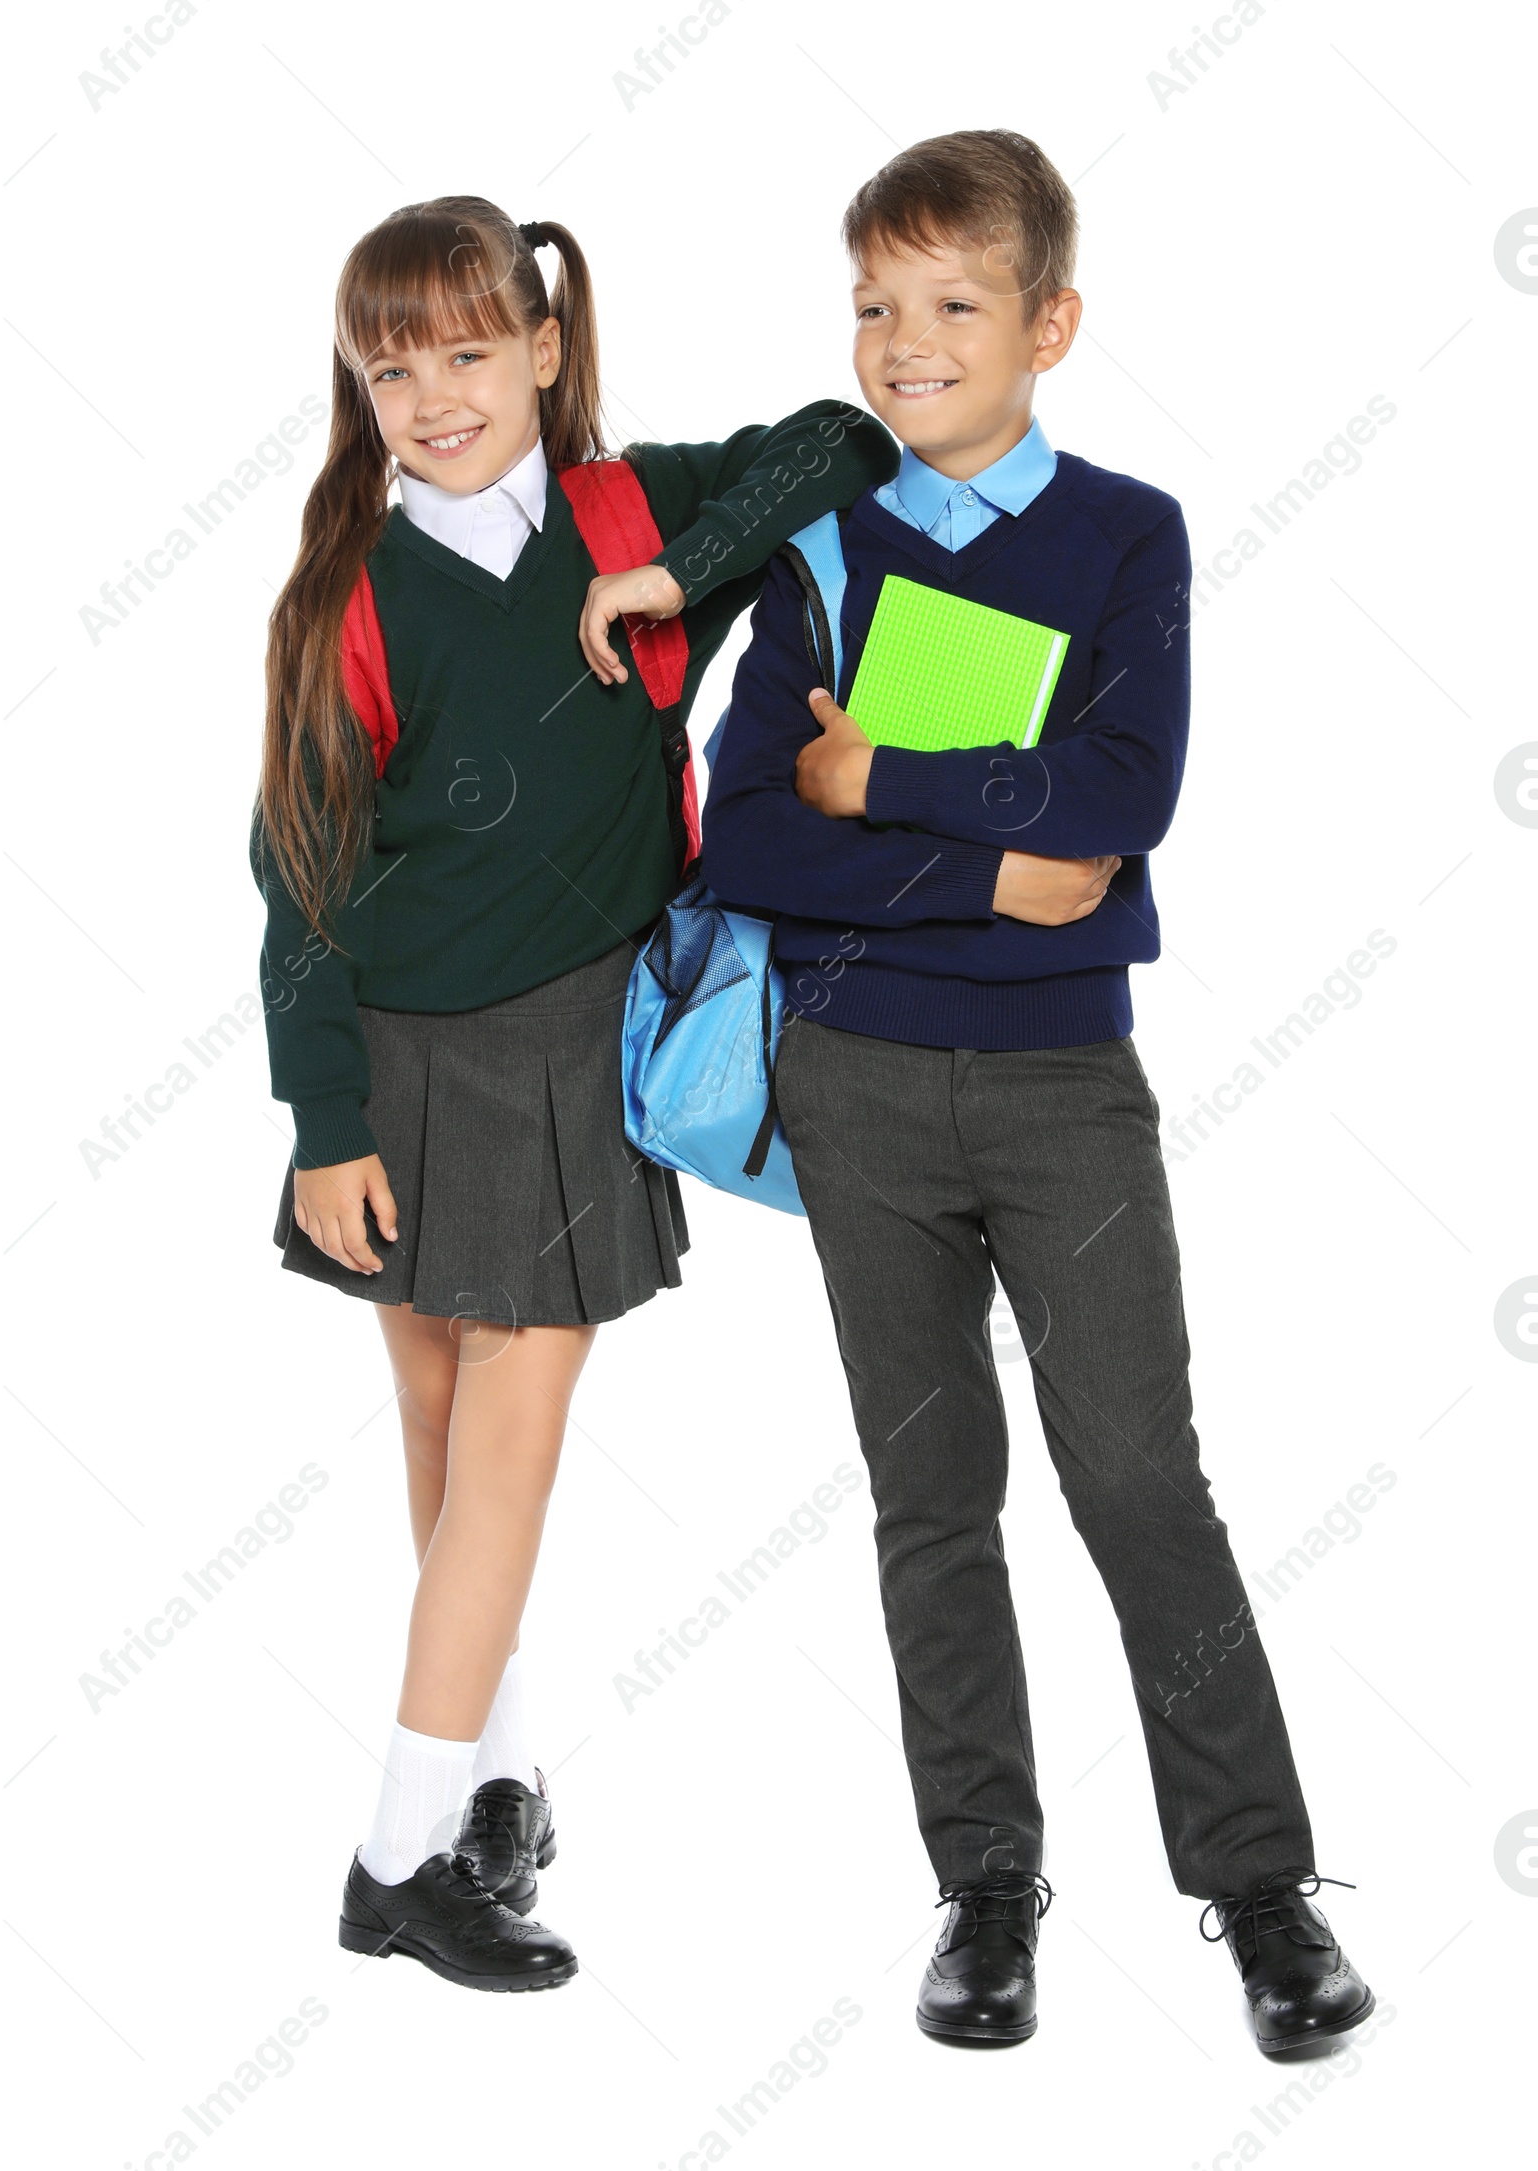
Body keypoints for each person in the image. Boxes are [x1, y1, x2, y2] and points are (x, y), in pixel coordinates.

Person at [701, 130, 1373, 2053]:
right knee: (934, 1495)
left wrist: (884, 781)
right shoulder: (822, 553)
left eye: (953, 303)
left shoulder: (1126, 533)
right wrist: (991, 863)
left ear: (1047, 322)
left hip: (1064, 1084)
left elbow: (1124, 799)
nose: (904, 342)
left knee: (1142, 1480)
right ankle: (983, 1888)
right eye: (874, 308)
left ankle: (1260, 1889)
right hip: (857, 1089)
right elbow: (752, 837)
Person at [254, 194, 895, 1994]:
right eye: (394, 367)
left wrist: (680, 574)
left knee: (489, 1456)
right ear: (359, 390)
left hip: (569, 1044)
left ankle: (480, 1784)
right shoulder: (347, 592)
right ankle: (404, 1858)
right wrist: (326, 1126)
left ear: (545, 348)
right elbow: (294, 877)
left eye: (469, 350)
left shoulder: (634, 506)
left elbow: (845, 443)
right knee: (466, 1453)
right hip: (396, 1060)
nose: (432, 395)